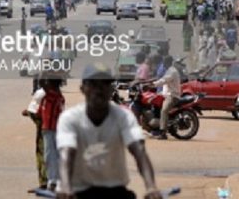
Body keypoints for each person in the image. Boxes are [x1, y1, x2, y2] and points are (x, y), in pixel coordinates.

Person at [55, 64, 162, 199]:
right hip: (77, 190)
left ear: (111, 89)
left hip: (114, 190)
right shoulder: (70, 118)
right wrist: (65, 186)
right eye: (93, 84)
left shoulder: (123, 116)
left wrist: (151, 187)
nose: (99, 90)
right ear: (83, 89)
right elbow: (66, 153)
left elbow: (139, 150)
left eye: (105, 84)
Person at [22, 77, 48, 190]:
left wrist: (29, 112)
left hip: (45, 128)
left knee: (42, 155)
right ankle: (45, 182)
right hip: (45, 127)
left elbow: (39, 112)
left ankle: (45, 183)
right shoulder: (51, 94)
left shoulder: (43, 94)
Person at [39, 76, 65, 191]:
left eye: (47, 82)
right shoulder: (55, 96)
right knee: (54, 155)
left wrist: (43, 72)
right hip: (49, 128)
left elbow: (41, 82)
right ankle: (56, 179)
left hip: (51, 128)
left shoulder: (51, 95)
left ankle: (53, 180)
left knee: (50, 155)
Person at [147, 56, 180, 140]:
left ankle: (163, 133)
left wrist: (153, 84)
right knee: (151, 100)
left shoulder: (172, 71)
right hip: (165, 94)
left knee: (164, 110)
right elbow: (162, 80)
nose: (164, 64)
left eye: (165, 62)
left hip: (172, 96)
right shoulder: (168, 70)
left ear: (169, 63)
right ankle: (154, 128)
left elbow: (163, 80)